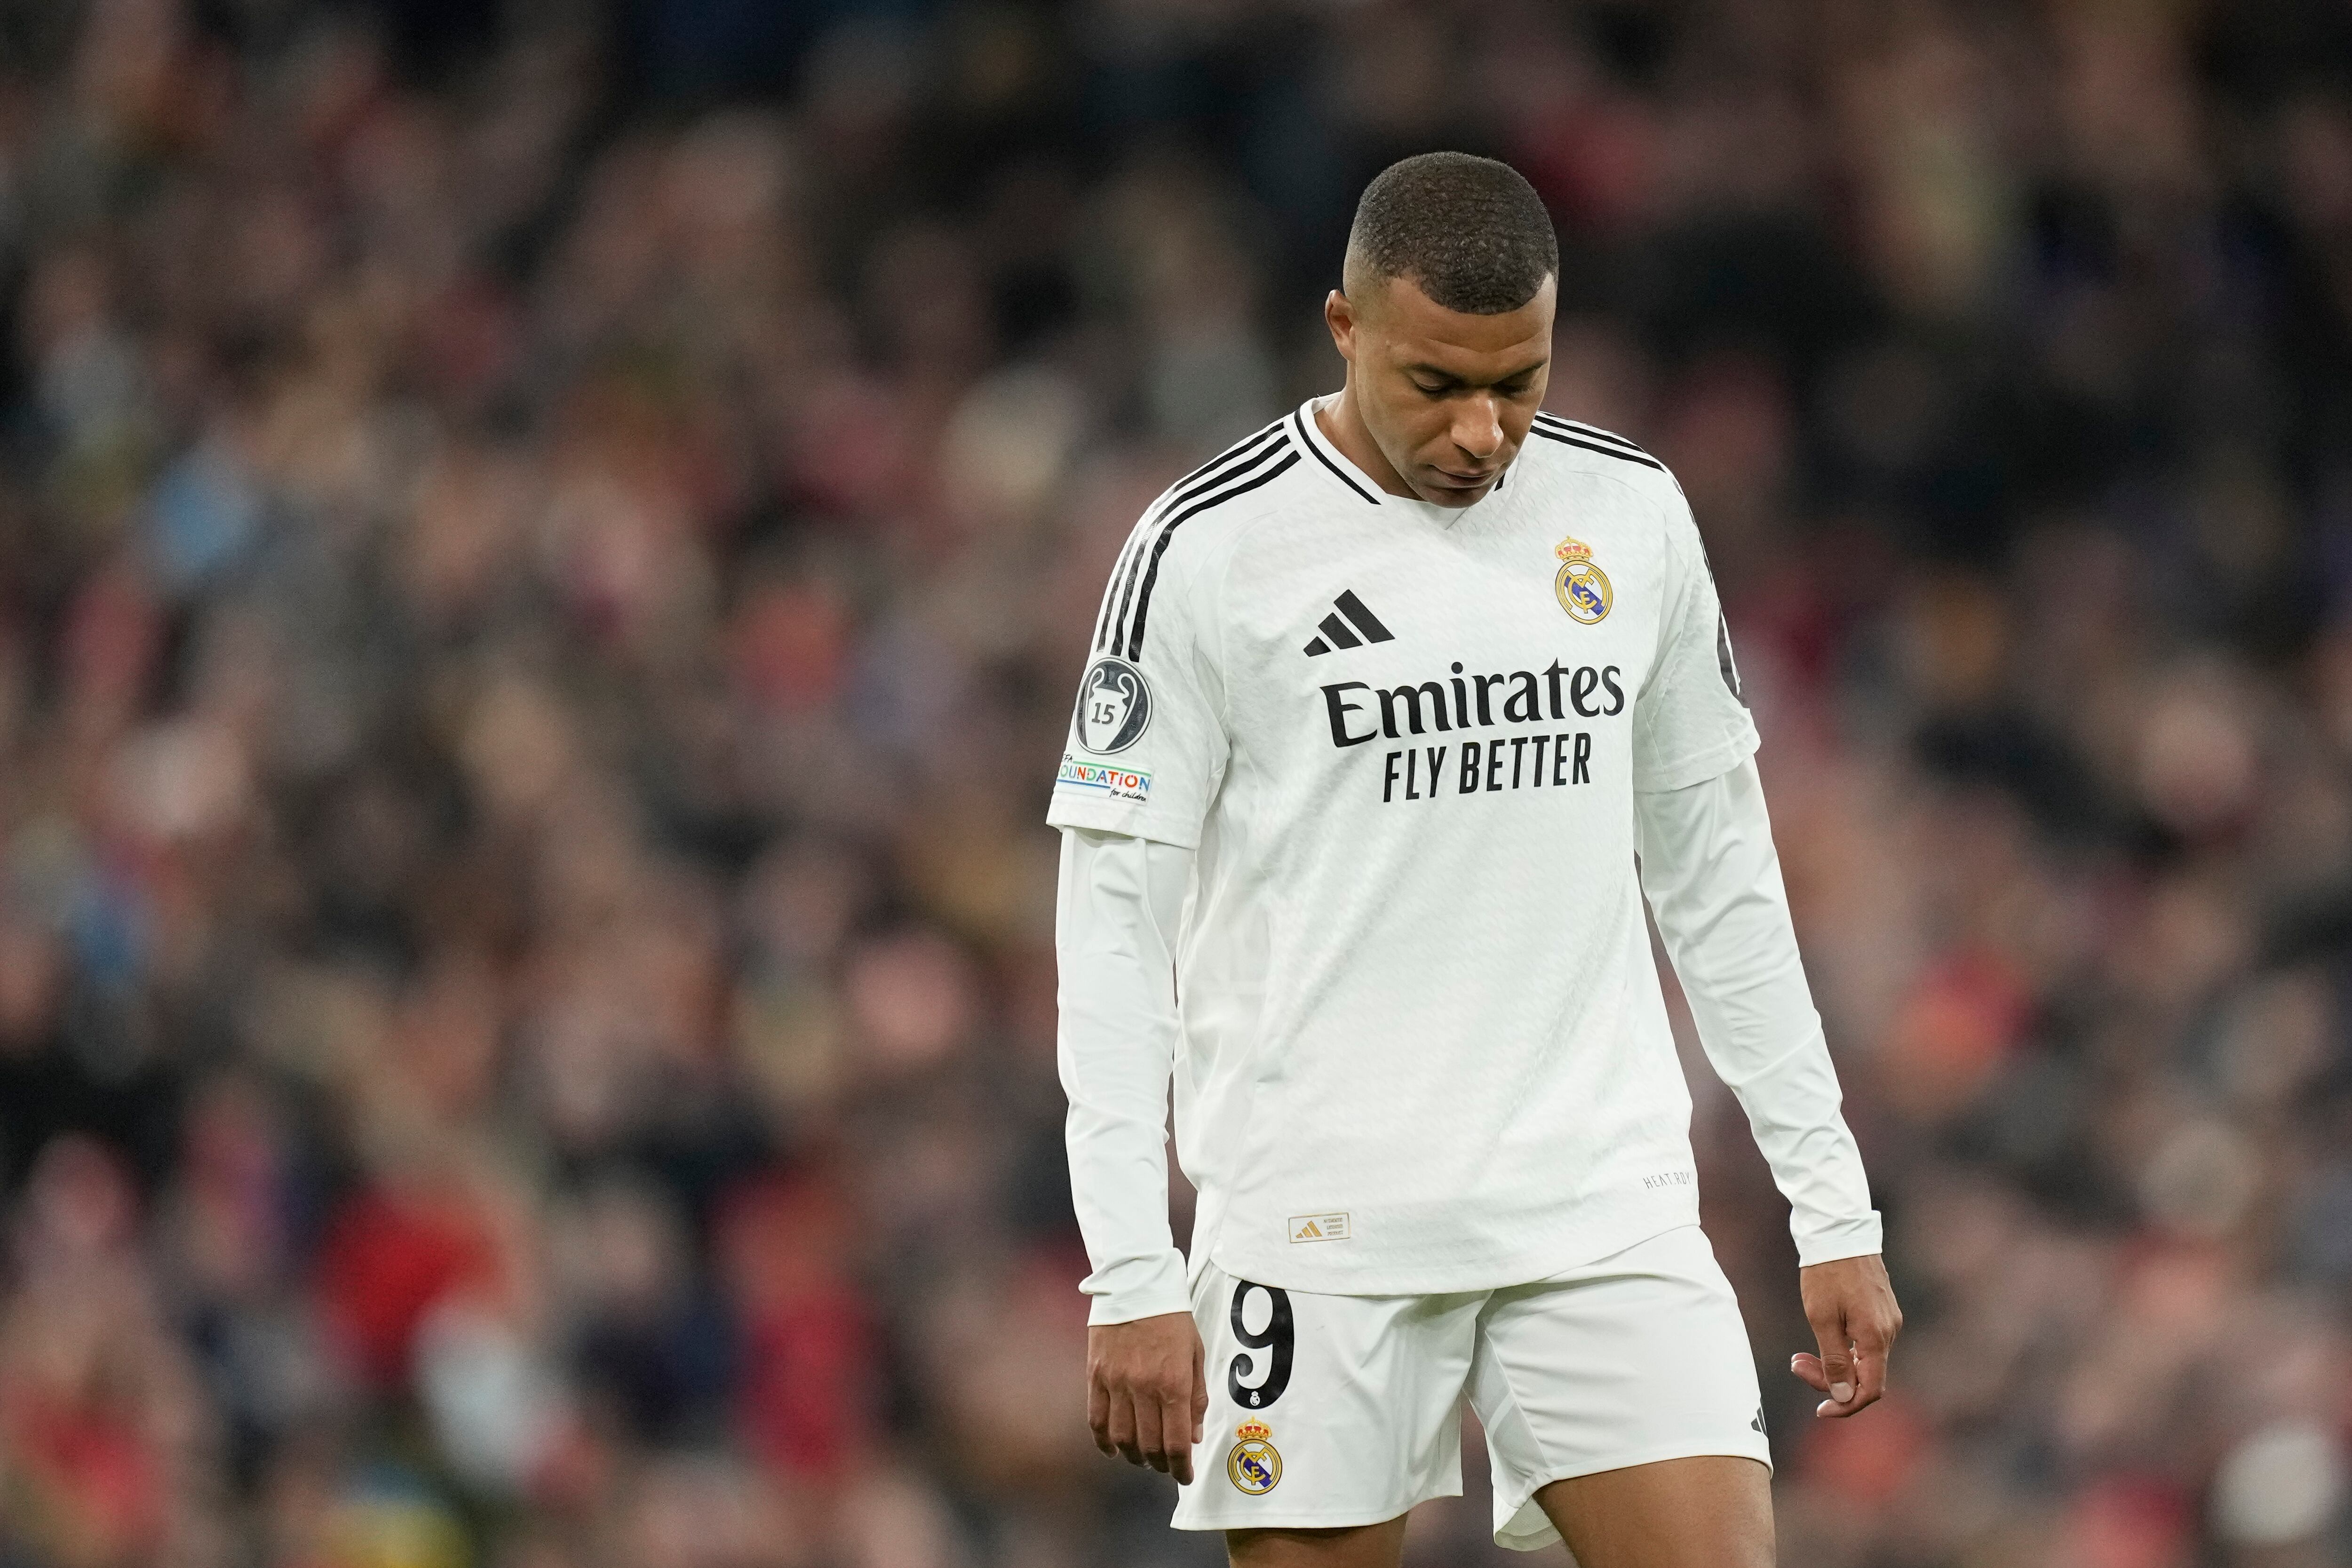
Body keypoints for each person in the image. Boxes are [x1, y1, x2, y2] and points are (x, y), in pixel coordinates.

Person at [1049, 152, 1900, 1568]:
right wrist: (1130, 1265)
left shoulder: (1630, 518)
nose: (1484, 432)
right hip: (1318, 1233)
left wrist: (1833, 1205)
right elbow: (1113, 929)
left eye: (1522, 382)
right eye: (1438, 385)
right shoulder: (1206, 550)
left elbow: (1722, 884)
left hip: (1599, 1213)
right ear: (1344, 327)